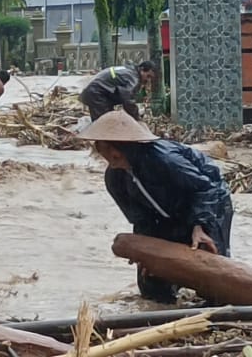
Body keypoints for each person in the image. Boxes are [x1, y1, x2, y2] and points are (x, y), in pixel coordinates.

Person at [78, 111, 234, 304]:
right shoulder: (115, 178)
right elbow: (141, 220)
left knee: (212, 271)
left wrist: (199, 225)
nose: (106, 153)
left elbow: (205, 188)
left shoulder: (164, 159)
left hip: (209, 204)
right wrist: (146, 252)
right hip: (167, 218)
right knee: (152, 283)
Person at [79, 61, 158, 121]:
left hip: (96, 92)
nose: (148, 80)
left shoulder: (128, 70)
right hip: (96, 93)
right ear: (141, 70)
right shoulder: (133, 77)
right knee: (104, 122)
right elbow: (128, 99)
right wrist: (136, 118)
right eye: (148, 76)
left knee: (107, 120)